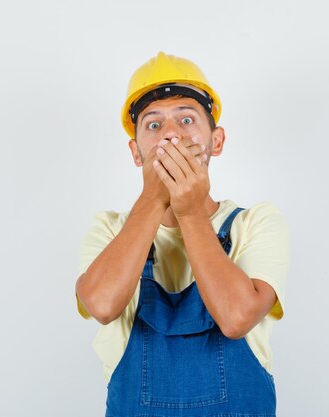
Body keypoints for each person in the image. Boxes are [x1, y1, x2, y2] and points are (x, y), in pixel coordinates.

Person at [75, 52, 290, 417]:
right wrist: (153, 199)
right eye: (154, 125)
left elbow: (237, 317)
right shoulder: (109, 228)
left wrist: (189, 210)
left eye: (186, 119)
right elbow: (102, 305)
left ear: (216, 141)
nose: (171, 134)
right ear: (136, 152)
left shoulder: (255, 223)